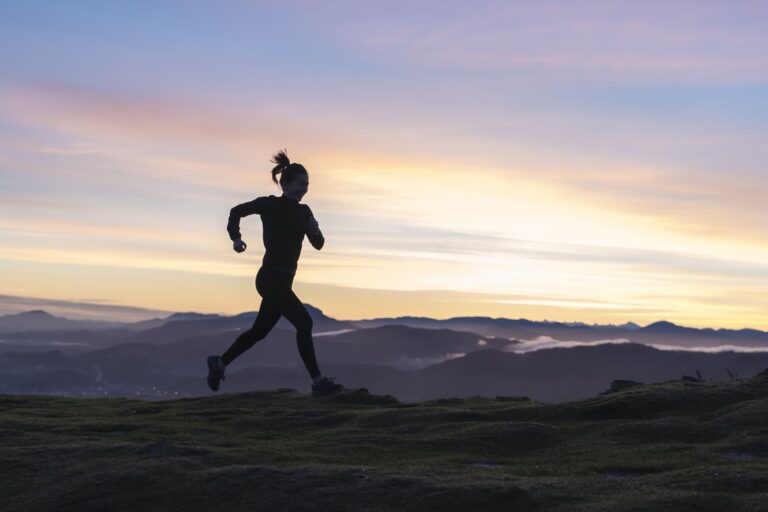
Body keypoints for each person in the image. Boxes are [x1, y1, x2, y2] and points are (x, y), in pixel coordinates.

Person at [206, 150, 345, 397]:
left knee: (259, 332)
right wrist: (236, 239)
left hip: (284, 283)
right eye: (300, 184)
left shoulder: (305, 212)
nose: (304, 189)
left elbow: (319, 244)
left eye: (307, 185)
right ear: (286, 184)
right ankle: (318, 382)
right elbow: (235, 211)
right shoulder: (269, 204)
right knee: (305, 322)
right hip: (269, 279)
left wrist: (316, 230)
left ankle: (219, 362)